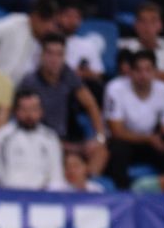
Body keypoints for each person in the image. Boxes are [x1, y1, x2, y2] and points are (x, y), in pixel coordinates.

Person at [18, 34, 108, 175]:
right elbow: (24, 118)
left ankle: (87, 182)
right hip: (41, 139)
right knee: (71, 162)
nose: (54, 59)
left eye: (59, 54)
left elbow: (91, 105)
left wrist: (99, 137)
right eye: (50, 53)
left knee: (100, 151)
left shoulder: (69, 75)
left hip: (68, 137)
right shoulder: (30, 82)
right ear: (41, 56)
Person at [104, 49, 164, 189]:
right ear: (130, 72)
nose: (143, 75)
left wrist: (162, 140)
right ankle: (122, 193)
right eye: (138, 70)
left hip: (151, 142)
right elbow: (116, 131)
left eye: (148, 70)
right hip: (125, 141)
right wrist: (148, 139)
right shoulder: (115, 88)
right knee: (118, 149)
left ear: (155, 72)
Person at [0, 89, 66, 190]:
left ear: (41, 111)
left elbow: (56, 174)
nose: (29, 114)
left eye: (34, 109)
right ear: (16, 111)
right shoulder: (1, 137)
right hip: (10, 193)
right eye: (24, 109)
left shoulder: (50, 137)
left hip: (43, 195)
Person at [0, 0, 59, 84]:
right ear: (34, 16)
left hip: (16, 90)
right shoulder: (15, 24)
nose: (50, 27)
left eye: (52, 22)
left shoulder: (46, 42)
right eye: (46, 21)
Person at [118, 3, 164, 94]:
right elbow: (128, 78)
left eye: (153, 21)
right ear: (136, 25)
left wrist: (150, 76)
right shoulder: (126, 49)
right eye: (143, 21)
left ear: (160, 25)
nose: (147, 26)